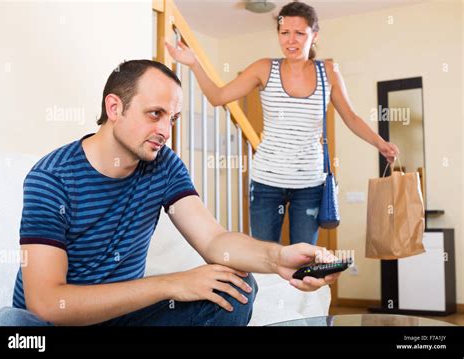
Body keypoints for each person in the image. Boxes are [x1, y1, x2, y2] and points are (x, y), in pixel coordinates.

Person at [0, 59, 339, 327]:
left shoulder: (163, 164)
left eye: (172, 118)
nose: (165, 130)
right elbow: (47, 302)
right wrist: (172, 284)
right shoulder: (52, 177)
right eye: (155, 114)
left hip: (121, 319)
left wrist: (278, 259)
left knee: (235, 288)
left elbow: (215, 240)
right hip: (54, 323)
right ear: (115, 108)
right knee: (11, 324)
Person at [165, 1, 400, 246]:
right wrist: (193, 62)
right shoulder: (265, 68)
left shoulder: (328, 72)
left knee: (303, 257)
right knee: (264, 257)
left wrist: (380, 143)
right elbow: (218, 97)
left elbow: (351, 117)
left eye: (300, 33)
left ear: (314, 35)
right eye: (284, 32)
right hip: (266, 182)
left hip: (310, 184)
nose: (291, 40)